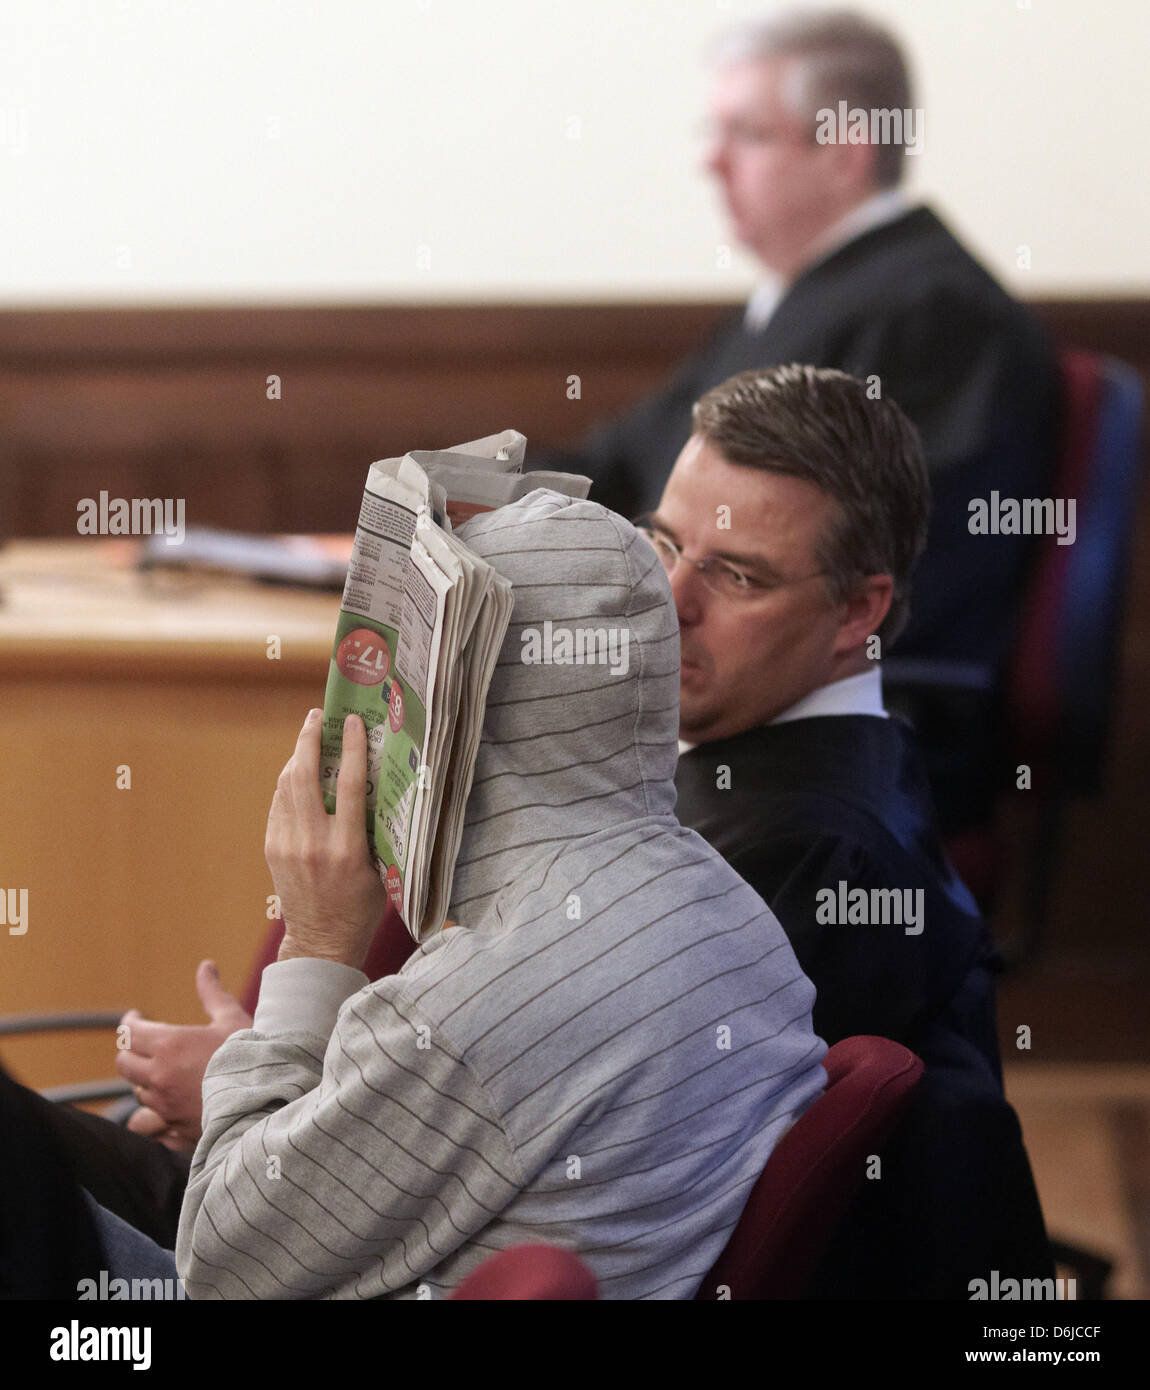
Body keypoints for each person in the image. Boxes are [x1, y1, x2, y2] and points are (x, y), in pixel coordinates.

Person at [174, 489, 827, 1299]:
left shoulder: (466, 1009)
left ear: (454, 698)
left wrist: (313, 941)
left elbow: (216, 1263)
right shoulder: (744, 919)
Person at [539, 7, 1061, 834]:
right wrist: (461, 499)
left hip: (849, 750)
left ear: (845, 150)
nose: (711, 161)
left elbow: (877, 583)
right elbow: (624, 463)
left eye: (745, 132)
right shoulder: (797, 300)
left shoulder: (930, 316)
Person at [650, 363, 1051, 1295]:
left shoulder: (802, 857)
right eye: (663, 543)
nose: (669, 600)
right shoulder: (845, 756)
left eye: (736, 574)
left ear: (858, 612)